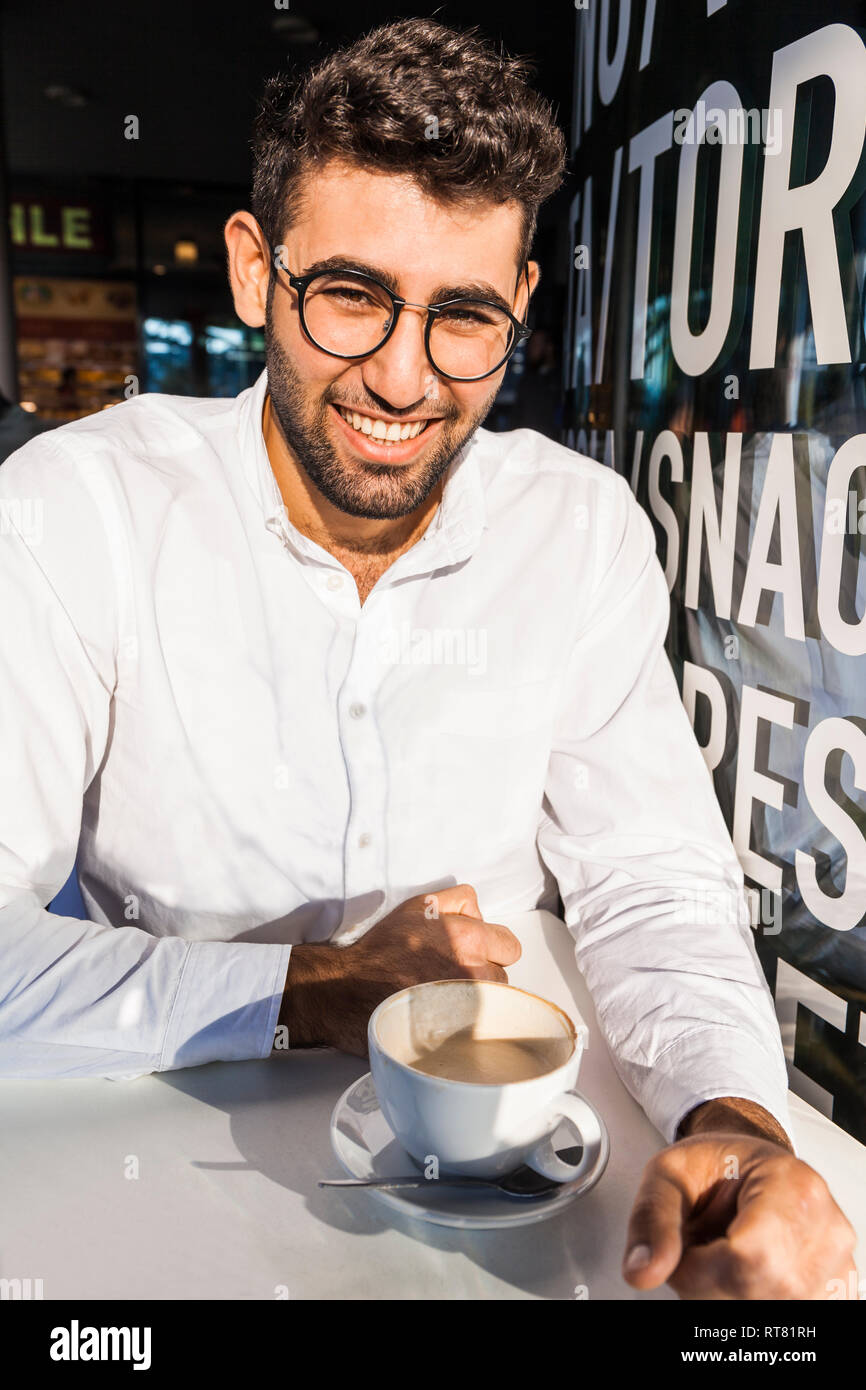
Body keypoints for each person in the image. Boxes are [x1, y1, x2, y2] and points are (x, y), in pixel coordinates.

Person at [0, 19, 855, 1300]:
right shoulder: (79, 510)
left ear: (516, 304)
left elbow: (649, 881)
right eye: (349, 295)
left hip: (528, 1211)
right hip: (161, 1169)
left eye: (460, 315)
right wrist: (318, 986)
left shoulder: (575, 528)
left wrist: (730, 1122)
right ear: (253, 272)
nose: (401, 379)